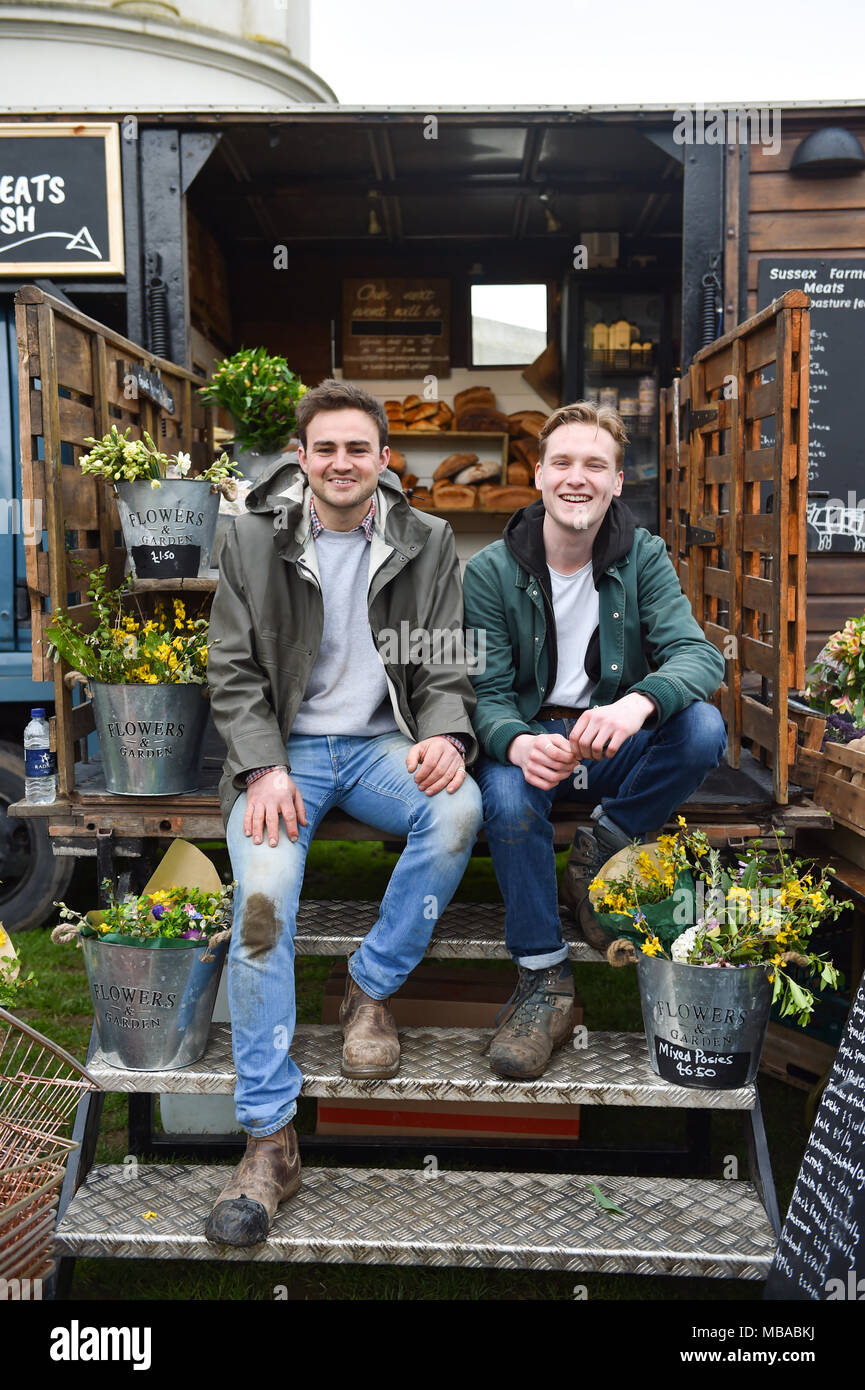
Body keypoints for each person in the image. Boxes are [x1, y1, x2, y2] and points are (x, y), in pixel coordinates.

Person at [205, 379, 482, 1246]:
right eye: (324, 447)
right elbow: (234, 671)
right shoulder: (253, 540)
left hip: (375, 748)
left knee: (459, 809)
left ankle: (368, 988)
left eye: (357, 447)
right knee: (259, 913)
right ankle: (268, 1135)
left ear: (383, 459)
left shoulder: (424, 539)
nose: (340, 463)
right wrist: (260, 766)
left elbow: (441, 662)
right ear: (301, 458)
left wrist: (445, 735)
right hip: (283, 757)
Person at [463, 401, 727, 1081]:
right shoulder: (491, 570)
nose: (576, 478)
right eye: (563, 462)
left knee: (701, 726)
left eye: (595, 466)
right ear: (539, 475)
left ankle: (601, 844)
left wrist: (638, 701)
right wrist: (516, 742)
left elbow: (698, 658)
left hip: (611, 747)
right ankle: (542, 981)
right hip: (534, 744)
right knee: (504, 795)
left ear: (615, 483)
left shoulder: (641, 557)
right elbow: (485, 692)